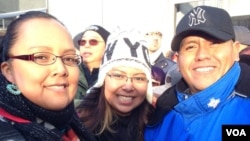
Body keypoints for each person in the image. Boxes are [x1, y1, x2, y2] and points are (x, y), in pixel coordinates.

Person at [144, 5, 250, 141]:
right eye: (191, 47)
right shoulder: (159, 115)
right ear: (178, 59)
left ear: (235, 51)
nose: (202, 55)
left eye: (214, 43)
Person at [0, 11, 96, 141]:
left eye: (69, 58)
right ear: (9, 71)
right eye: (41, 57)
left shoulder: (76, 126)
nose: (61, 69)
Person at [76, 29, 154, 141]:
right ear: (103, 80)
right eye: (118, 76)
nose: (128, 86)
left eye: (139, 78)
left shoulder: (159, 124)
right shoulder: (78, 125)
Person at [73, 25, 110, 106]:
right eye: (82, 42)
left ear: (107, 47)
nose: (86, 45)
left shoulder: (113, 77)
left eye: (93, 41)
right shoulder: (69, 73)